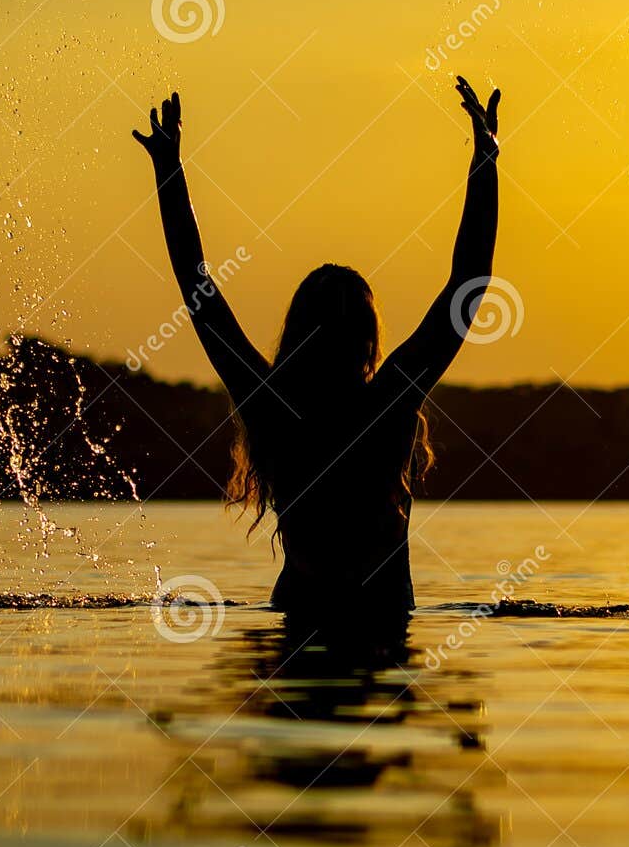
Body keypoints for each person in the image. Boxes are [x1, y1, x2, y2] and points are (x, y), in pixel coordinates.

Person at [132, 77, 502, 627]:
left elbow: (197, 289)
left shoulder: (272, 409)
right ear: (369, 339)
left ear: (296, 331)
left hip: (297, 624)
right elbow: (468, 282)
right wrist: (486, 158)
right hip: (381, 628)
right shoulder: (389, 404)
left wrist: (169, 172)